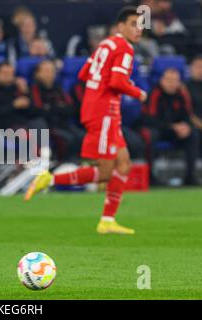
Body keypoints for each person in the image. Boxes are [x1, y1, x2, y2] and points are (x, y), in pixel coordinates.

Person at [25, 7, 148, 235]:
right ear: (120, 26)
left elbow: (83, 74)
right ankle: (49, 179)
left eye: (140, 24)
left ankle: (108, 220)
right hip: (104, 113)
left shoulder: (105, 44)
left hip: (97, 109)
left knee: (123, 163)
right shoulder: (124, 48)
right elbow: (118, 82)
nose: (138, 29)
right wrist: (139, 93)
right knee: (103, 172)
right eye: (133, 24)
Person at [143, 68, 199, 185]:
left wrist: (186, 126)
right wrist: (172, 126)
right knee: (150, 135)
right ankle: (150, 176)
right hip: (159, 129)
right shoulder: (155, 93)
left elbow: (188, 115)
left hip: (176, 131)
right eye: (168, 80)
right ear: (162, 81)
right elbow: (149, 119)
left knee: (193, 134)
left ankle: (190, 177)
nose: (171, 83)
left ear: (179, 82)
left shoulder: (182, 93)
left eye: (174, 80)